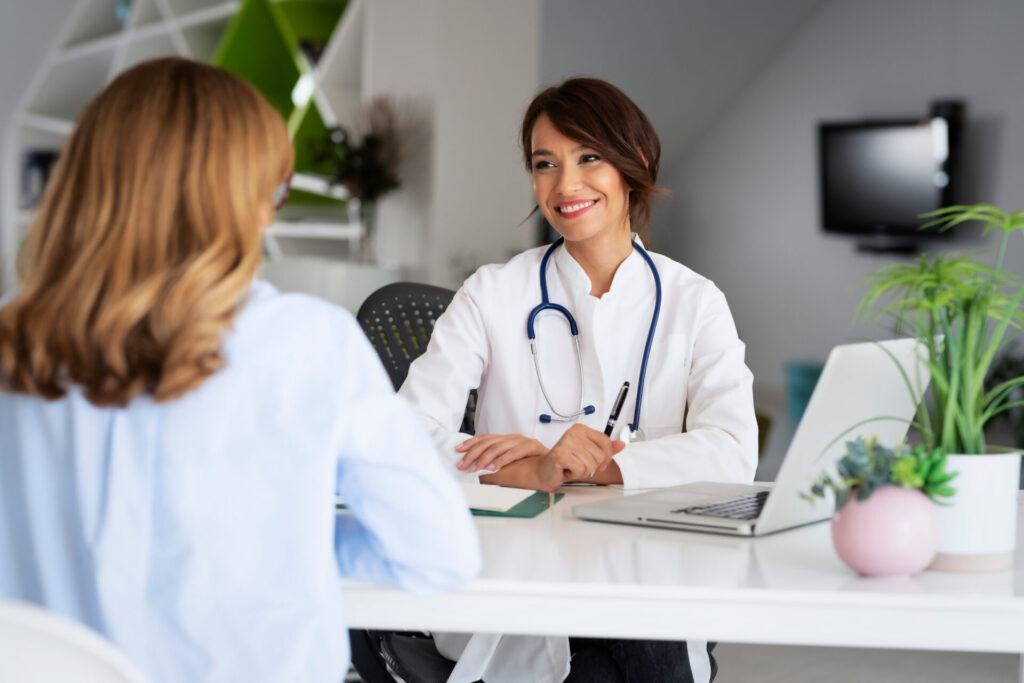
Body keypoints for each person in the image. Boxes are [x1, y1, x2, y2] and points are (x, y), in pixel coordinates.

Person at [0, 57, 480, 683]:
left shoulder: (14, 341)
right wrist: (287, 544)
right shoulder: (308, 342)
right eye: (273, 191)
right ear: (240, 200)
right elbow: (438, 554)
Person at [399, 78, 758, 682]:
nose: (565, 185)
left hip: (645, 564)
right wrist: (531, 471)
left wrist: (594, 466)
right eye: (545, 164)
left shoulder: (694, 301)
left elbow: (733, 453)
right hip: (520, 575)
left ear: (634, 164)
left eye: (588, 157)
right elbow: (403, 435)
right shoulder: (494, 293)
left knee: (620, 643)